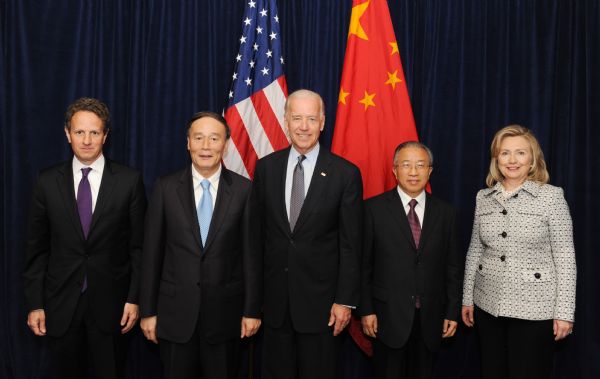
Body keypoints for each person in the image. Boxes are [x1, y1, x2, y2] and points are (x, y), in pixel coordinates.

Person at [23, 97, 146, 378]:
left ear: (105, 135)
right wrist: (35, 303)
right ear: (68, 134)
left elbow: (138, 248)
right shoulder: (46, 181)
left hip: (113, 306)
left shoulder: (129, 181)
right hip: (61, 304)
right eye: (79, 132)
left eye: (94, 132)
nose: (87, 140)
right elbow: (36, 249)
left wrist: (134, 298)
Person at [139, 111, 262, 379]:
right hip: (174, 318)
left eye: (214, 138)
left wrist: (251, 310)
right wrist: (147, 311)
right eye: (199, 138)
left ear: (225, 145)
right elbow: (151, 255)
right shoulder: (165, 188)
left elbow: (251, 257)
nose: (206, 146)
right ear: (188, 143)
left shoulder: (244, 191)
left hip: (226, 319)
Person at [252, 89, 363, 379]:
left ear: (323, 123)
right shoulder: (266, 169)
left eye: (311, 119)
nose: (304, 126)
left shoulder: (345, 174)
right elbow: (256, 239)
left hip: (322, 306)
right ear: (286, 122)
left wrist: (344, 300)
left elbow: (351, 244)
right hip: (275, 304)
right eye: (297, 118)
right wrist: (253, 302)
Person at [461, 125, 576, 379]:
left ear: (533, 159)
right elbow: (475, 249)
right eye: (505, 153)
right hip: (487, 305)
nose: (512, 160)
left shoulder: (552, 197)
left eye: (520, 153)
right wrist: (467, 298)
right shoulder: (484, 197)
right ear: (496, 159)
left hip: (534, 308)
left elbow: (565, 257)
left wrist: (564, 313)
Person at [359, 141, 462, 379]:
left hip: (431, 317)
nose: (413, 172)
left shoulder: (446, 213)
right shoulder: (373, 209)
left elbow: (453, 267)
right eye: (406, 165)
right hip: (386, 316)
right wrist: (366, 310)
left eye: (420, 165)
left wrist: (451, 311)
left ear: (430, 171)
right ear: (395, 170)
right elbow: (364, 265)